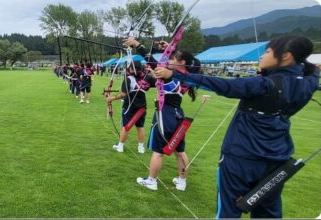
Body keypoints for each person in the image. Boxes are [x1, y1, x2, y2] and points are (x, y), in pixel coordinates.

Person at [154, 35, 319, 218]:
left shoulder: (263, 85)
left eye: (268, 52)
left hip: (241, 158)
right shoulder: (308, 83)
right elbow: (312, 71)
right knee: (268, 213)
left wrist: (174, 74)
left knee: (228, 212)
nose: (262, 57)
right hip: (277, 157)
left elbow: (223, 85)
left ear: (286, 56)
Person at [123, 37, 201, 191]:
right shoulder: (186, 78)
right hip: (178, 115)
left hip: (164, 117)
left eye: (174, 58)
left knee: (158, 152)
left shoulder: (170, 76)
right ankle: (181, 181)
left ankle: (151, 181)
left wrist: (137, 45)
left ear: (182, 63)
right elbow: (169, 64)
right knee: (180, 151)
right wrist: (170, 49)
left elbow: (152, 62)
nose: (170, 59)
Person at [106, 60, 156, 154]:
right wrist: (152, 72)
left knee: (126, 127)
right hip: (142, 107)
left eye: (129, 67)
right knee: (140, 127)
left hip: (129, 107)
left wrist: (111, 98)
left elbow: (123, 94)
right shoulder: (147, 77)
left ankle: (120, 146)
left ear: (132, 69)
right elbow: (157, 82)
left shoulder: (128, 79)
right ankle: (141, 148)